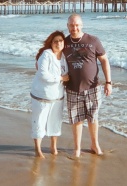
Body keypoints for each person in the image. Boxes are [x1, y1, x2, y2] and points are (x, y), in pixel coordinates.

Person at [63, 13, 112, 157]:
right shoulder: (64, 43)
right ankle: (77, 148)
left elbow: (104, 61)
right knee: (76, 119)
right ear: (67, 26)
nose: (74, 28)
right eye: (71, 25)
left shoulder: (93, 40)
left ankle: (94, 144)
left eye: (77, 25)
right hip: (72, 88)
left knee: (93, 118)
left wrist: (108, 82)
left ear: (82, 25)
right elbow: (51, 56)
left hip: (92, 87)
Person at [31, 30, 70, 158]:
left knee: (55, 122)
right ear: (51, 43)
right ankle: (38, 149)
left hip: (58, 96)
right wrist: (60, 78)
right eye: (55, 41)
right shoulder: (46, 54)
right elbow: (43, 75)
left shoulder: (64, 56)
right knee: (39, 121)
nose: (58, 43)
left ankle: (53, 146)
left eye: (60, 41)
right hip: (42, 96)